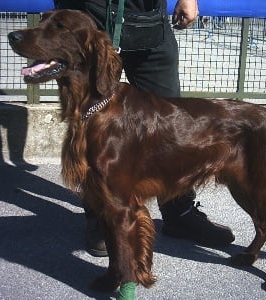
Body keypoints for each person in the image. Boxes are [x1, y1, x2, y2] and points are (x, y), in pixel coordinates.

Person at [54, 0, 235, 257]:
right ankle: (100, 218)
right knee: (92, 124)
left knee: (172, 125)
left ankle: (179, 212)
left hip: (147, 16)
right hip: (89, 15)